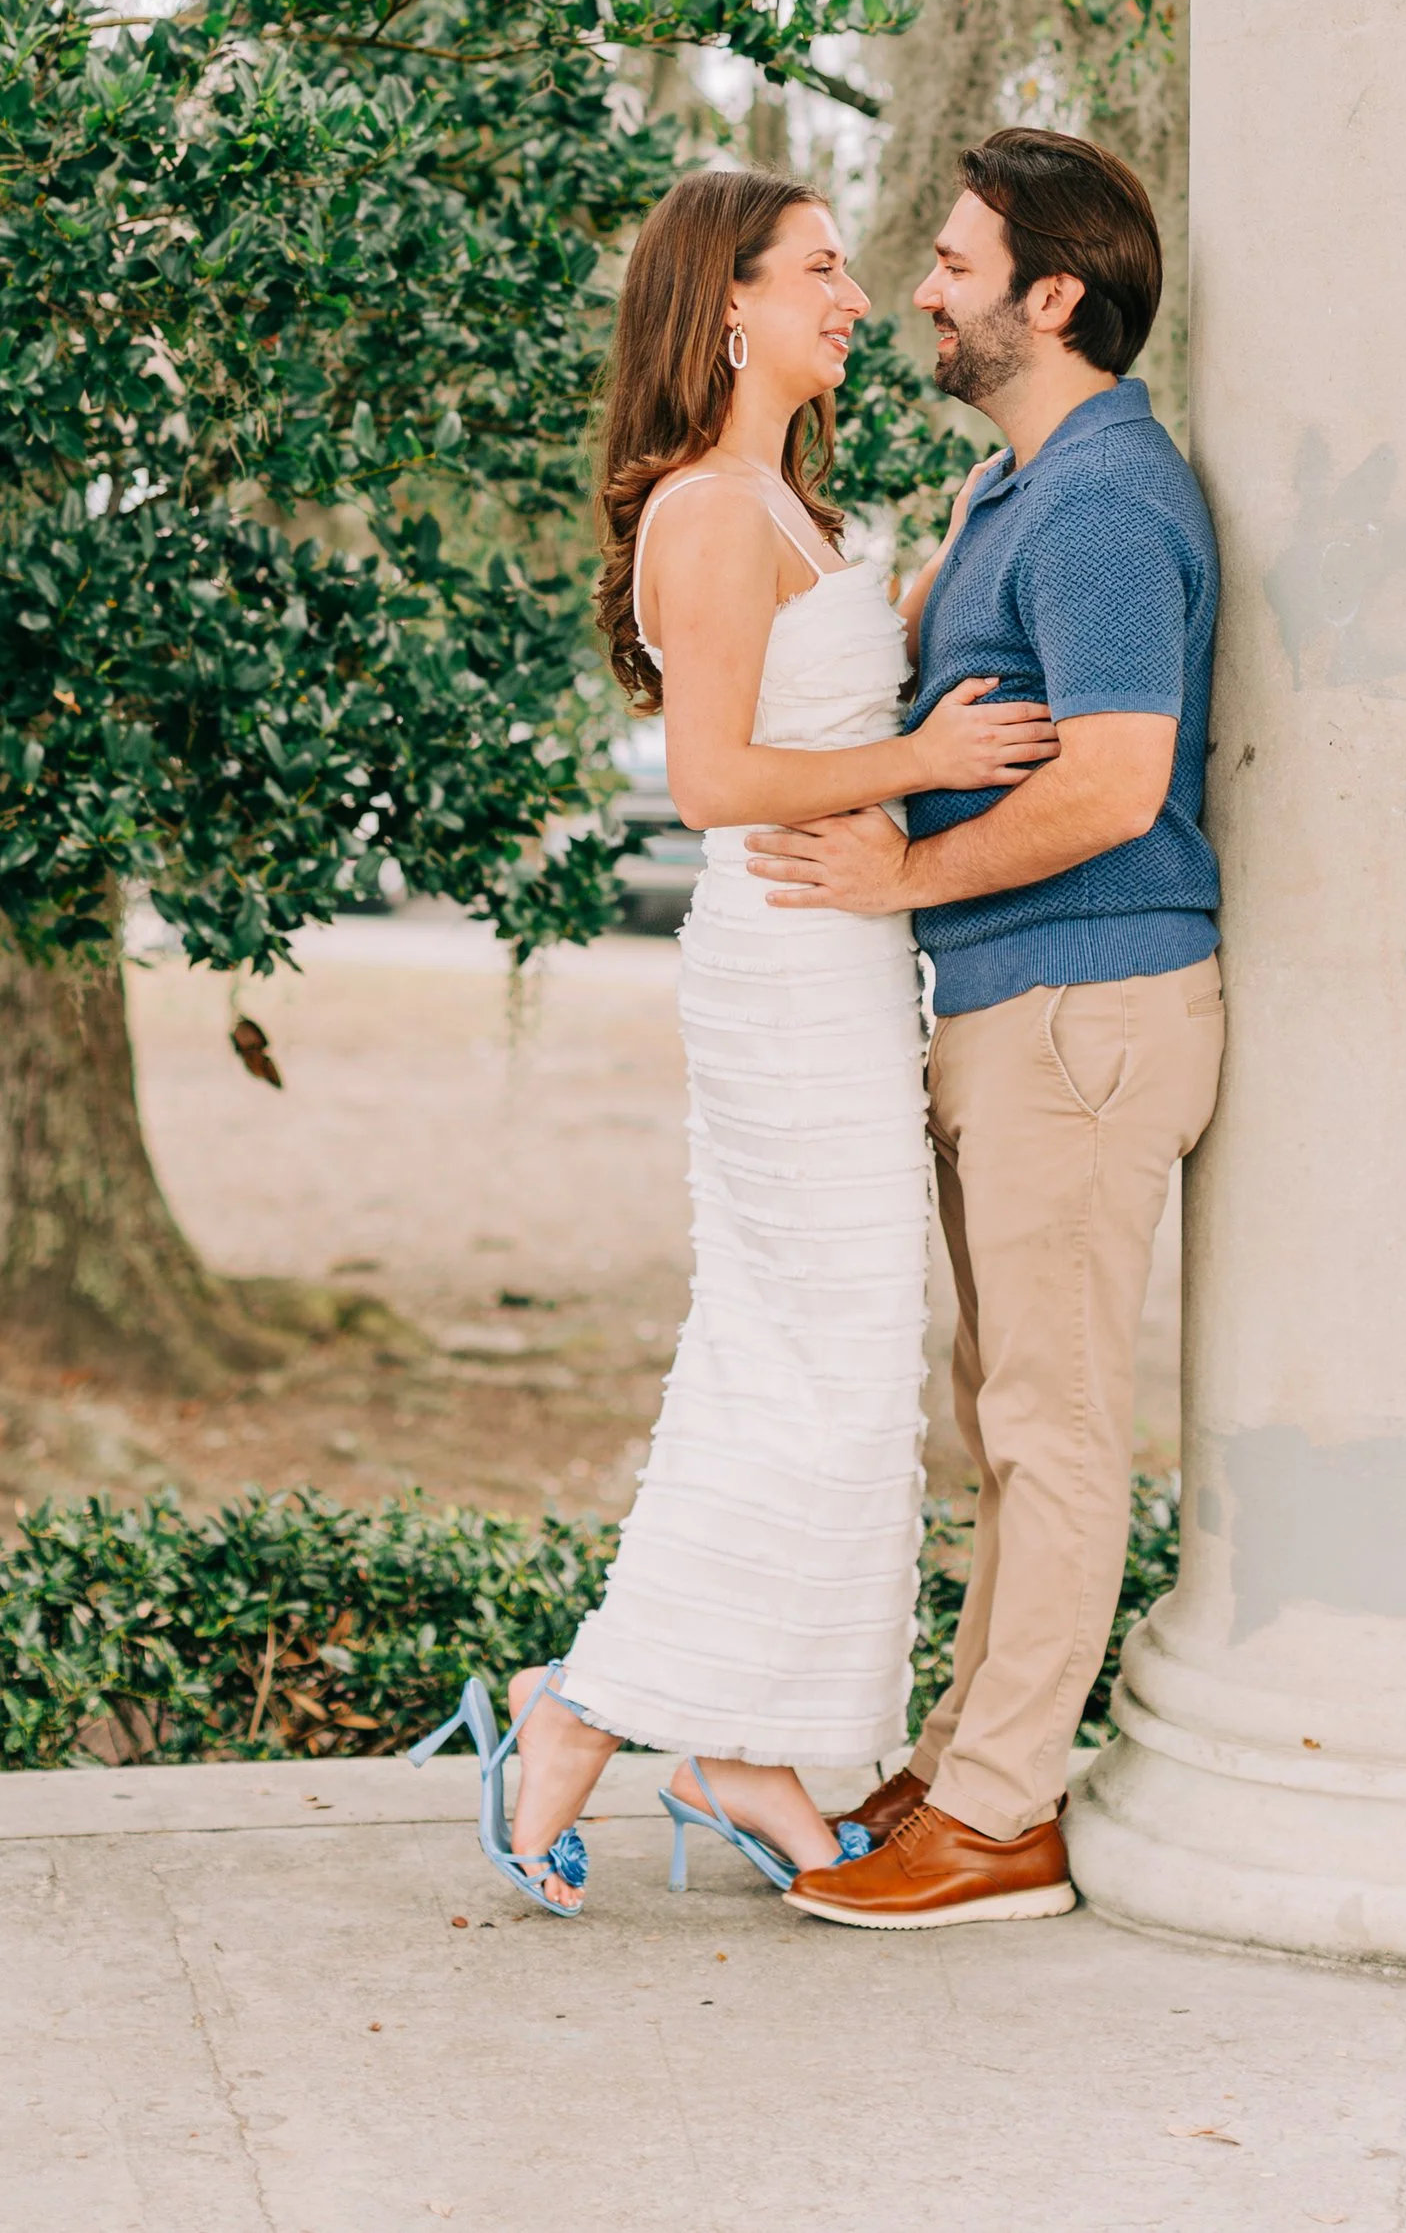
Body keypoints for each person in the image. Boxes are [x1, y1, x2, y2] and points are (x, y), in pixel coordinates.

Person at [412, 166, 1059, 1915]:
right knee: (813, 1358)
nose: (856, 298)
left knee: (831, 1366)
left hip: (851, 968)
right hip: (781, 971)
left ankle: (747, 1743)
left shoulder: (793, 503)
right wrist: (924, 767)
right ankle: (593, 1707)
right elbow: (712, 783)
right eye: (823, 271)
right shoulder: (704, 511)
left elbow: (815, 699)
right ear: (728, 307)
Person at [747, 126, 1223, 1932]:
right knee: (1005, 1416)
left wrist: (896, 881)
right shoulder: (1016, 494)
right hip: (1022, 1017)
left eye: (952, 263)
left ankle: (1008, 1812)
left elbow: (1114, 781)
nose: (919, 289)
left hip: (1089, 1013)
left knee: (1055, 1424)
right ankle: (961, 1767)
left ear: (1053, 297)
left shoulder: (1103, 496)